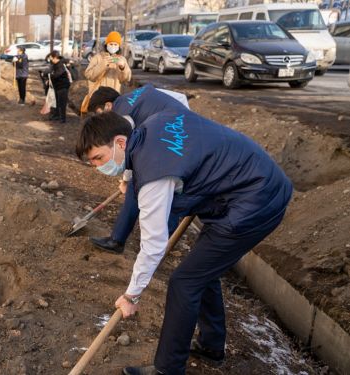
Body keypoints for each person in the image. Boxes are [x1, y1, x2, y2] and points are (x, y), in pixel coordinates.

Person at [75, 105, 292, 375]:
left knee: (184, 282)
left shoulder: (154, 174)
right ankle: (212, 347)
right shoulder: (155, 121)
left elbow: (153, 244)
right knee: (202, 273)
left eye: (98, 158)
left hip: (255, 201)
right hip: (247, 181)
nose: (97, 167)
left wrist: (131, 294)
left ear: (120, 142)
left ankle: (168, 368)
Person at [84, 85, 190, 254]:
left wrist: (126, 180)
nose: (100, 118)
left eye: (98, 112)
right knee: (141, 186)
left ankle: (154, 246)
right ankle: (121, 239)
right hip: (174, 135)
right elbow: (180, 98)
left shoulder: (121, 116)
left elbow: (127, 152)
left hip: (172, 146)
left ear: (108, 105)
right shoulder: (136, 95)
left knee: (167, 195)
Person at [84, 31, 131, 98]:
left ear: (119, 46)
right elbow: (88, 75)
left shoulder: (121, 59)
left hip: (114, 96)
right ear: (106, 45)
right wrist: (102, 65)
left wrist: (123, 68)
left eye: (115, 44)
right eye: (111, 44)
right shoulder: (98, 57)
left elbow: (126, 79)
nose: (113, 46)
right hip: (98, 96)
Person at [44, 51, 71, 123]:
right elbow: (50, 72)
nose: (50, 59)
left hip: (62, 86)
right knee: (56, 102)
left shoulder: (61, 65)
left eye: (51, 58)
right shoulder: (54, 64)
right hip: (57, 86)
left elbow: (56, 75)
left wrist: (50, 74)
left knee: (62, 103)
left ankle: (63, 118)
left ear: (55, 57)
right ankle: (57, 116)